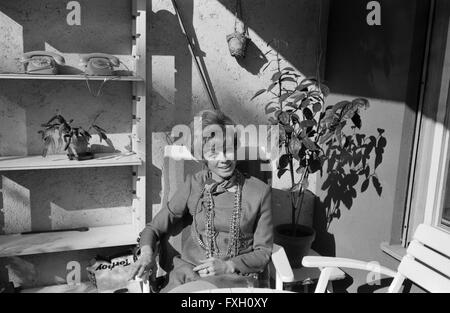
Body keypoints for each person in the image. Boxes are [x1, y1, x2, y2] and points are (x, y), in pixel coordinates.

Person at [129, 110, 273, 292]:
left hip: (235, 280)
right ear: (202, 157)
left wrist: (228, 265)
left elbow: (263, 252)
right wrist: (146, 254)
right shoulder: (194, 184)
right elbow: (154, 228)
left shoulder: (259, 192)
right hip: (189, 276)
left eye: (228, 149)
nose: (224, 159)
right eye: (213, 153)